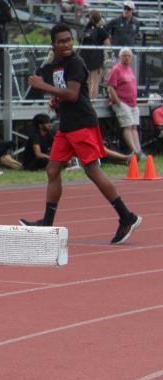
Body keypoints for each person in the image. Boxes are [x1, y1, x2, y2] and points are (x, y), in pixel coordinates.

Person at [21, 23, 140, 243]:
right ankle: (47, 223)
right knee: (52, 169)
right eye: (61, 41)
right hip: (67, 125)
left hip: (82, 124)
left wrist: (43, 86)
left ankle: (127, 217)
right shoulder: (56, 65)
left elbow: (73, 94)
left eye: (69, 40)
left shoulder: (75, 63)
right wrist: (56, 100)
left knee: (92, 170)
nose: (67, 44)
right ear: (53, 45)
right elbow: (64, 93)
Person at [106, 47, 143, 158]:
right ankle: (134, 150)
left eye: (128, 56)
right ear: (120, 57)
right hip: (122, 103)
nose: (126, 58)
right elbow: (110, 87)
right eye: (124, 55)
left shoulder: (130, 69)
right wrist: (118, 102)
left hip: (133, 103)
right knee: (128, 126)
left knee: (134, 127)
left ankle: (139, 151)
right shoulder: (116, 69)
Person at [79, 11, 110, 98]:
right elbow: (108, 44)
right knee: (95, 82)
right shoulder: (100, 30)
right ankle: (92, 100)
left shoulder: (85, 30)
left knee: (87, 81)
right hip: (96, 59)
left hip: (84, 58)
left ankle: (86, 98)